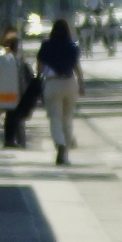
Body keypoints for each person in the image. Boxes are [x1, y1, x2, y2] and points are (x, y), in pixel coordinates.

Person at [38, 19, 82, 165]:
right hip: (70, 82)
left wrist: (39, 80)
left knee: (55, 118)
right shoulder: (72, 46)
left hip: (52, 83)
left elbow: (39, 66)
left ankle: (60, 144)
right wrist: (81, 85)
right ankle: (66, 154)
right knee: (67, 118)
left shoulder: (46, 45)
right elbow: (77, 68)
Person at [0, 29, 37, 148]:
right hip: (15, 93)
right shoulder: (16, 60)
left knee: (13, 116)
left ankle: (14, 140)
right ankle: (12, 140)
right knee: (15, 117)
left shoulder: (0, 58)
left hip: (5, 92)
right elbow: (28, 77)